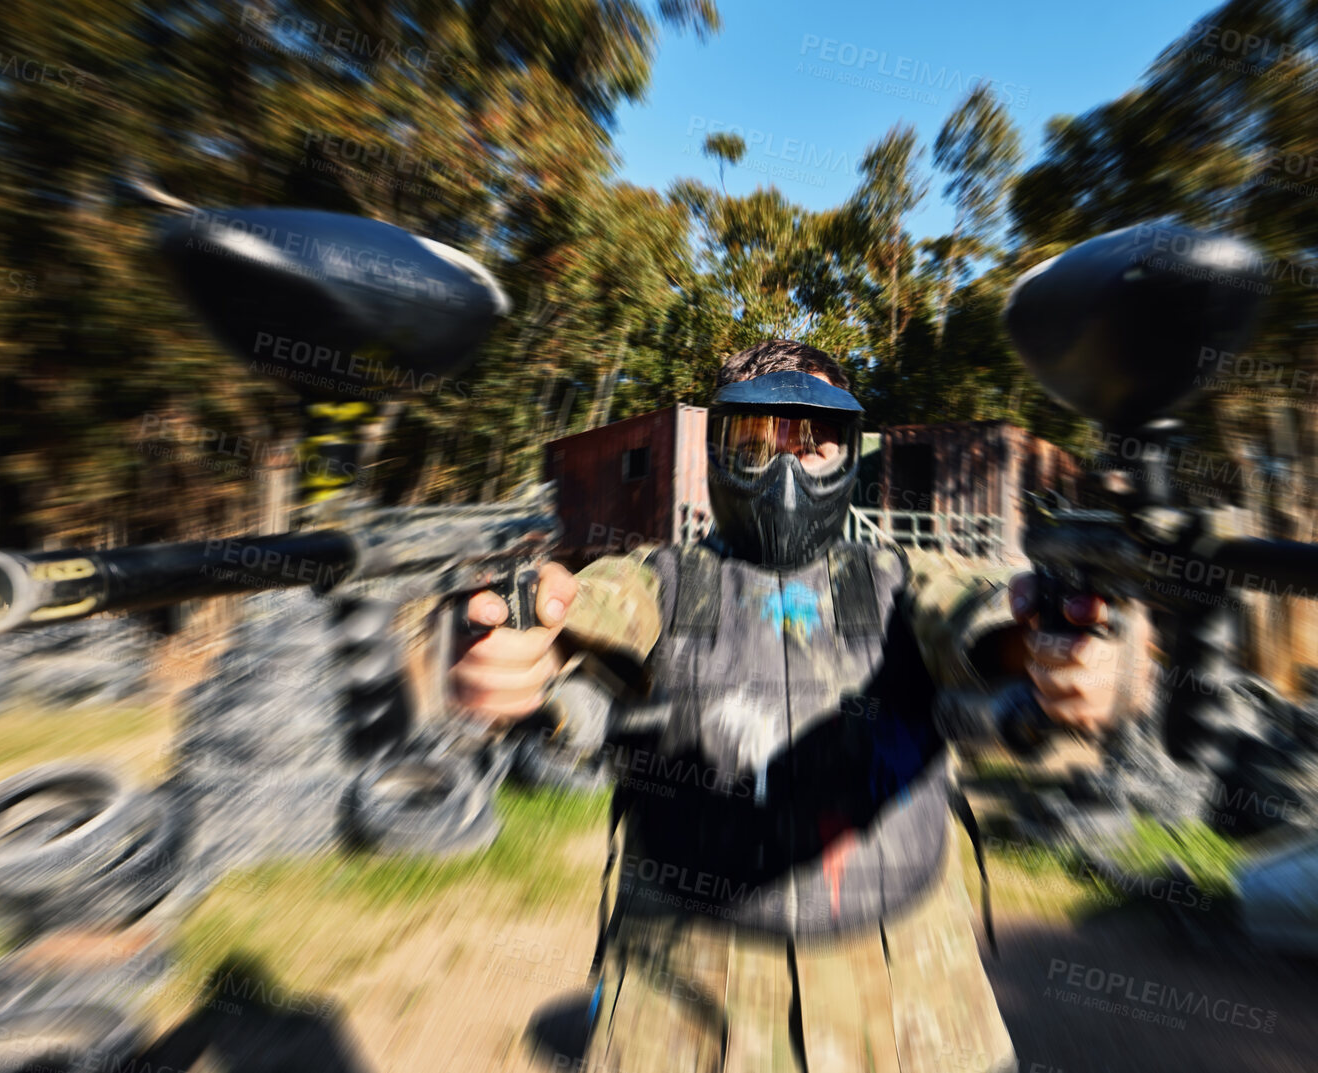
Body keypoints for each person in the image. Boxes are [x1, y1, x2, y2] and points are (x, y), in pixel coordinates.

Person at [450, 339, 1153, 1073]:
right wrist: (522, 644)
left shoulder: (895, 575)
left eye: (814, 443)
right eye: (758, 441)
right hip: (683, 993)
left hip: (910, 986)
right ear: (719, 447)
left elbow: (982, 617)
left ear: (850, 453)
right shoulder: (664, 579)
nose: (787, 470)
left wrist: (1056, 653)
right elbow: (586, 613)